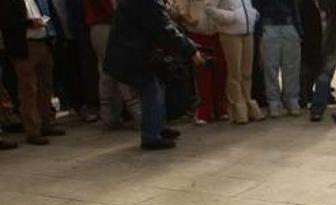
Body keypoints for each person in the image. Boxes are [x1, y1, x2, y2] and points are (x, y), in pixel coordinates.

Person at [104, 0, 205, 150]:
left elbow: (165, 25)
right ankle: (151, 136)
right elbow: (164, 28)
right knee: (151, 88)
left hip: (131, 53)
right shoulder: (146, 3)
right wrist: (191, 50)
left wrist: (190, 46)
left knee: (156, 85)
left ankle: (157, 127)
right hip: (130, 55)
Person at [0, 0, 66, 145]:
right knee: (28, 89)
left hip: (43, 41)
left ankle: (45, 122)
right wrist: (28, 23)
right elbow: (6, 22)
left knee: (46, 86)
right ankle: (33, 130)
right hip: (24, 46)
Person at [84, 0, 143, 129]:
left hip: (100, 26)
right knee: (122, 69)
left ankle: (109, 117)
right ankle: (138, 114)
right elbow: (112, 8)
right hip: (108, 25)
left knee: (106, 72)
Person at [206, 0, 263, 124]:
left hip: (248, 32)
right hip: (230, 34)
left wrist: (253, 14)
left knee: (247, 72)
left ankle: (248, 103)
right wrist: (230, 17)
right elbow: (209, 8)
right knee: (235, 72)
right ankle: (238, 107)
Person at [175, 0, 228, 125]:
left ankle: (220, 108)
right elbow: (179, 10)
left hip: (219, 34)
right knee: (202, 75)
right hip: (198, 35)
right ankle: (204, 111)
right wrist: (190, 21)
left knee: (221, 72)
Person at [252, 0, 303, 118]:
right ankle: (274, 102)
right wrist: (258, 33)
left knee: (291, 68)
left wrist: (299, 30)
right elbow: (256, 9)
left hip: (289, 25)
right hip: (268, 26)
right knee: (270, 68)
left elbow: (295, 7)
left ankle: (291, 99)